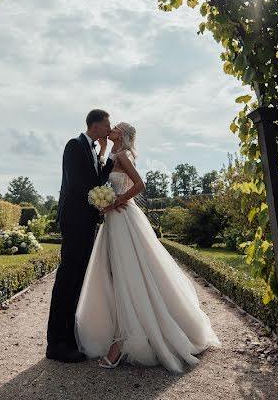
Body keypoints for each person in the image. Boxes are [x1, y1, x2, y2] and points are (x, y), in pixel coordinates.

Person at [75, 122, 220, 373]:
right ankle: (121, 333)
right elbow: (102, 173)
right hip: (113, 221)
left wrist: (114, 202)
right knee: (113, 274)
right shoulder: (113, 153)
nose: (112, 127)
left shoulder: (122, 155)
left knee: (125, 276)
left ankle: (120, 343)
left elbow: (140, 185)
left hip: (122, 218)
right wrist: (102, 149)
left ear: (123, 134)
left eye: (116, 126)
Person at [45, 109, 114, 362]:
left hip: (85, 222)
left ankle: (68, 337)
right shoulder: (74, 146)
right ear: (95, 125)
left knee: (77, 279)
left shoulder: (94, 150)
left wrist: (105, 154)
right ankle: (56, 344)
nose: (109, 128)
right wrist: (99, 202)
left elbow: (97, 179)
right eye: (107, 124)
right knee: (67, 278)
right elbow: (76, 185)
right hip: (74, 220)